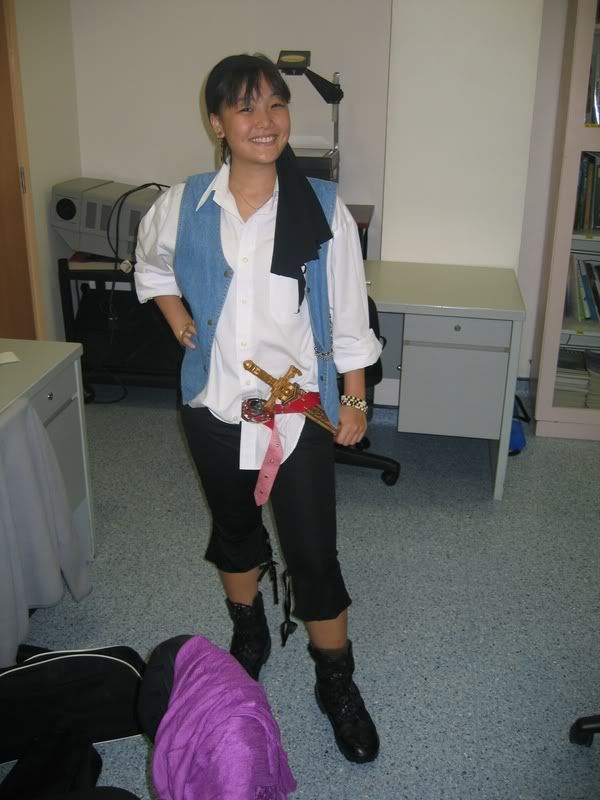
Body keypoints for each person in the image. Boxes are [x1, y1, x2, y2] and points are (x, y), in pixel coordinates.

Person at [134, 53, 381, 764]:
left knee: (313, 554)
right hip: (214, 405)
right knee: (235, 529)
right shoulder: (182, 205)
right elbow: (152, 269)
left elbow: (350, 319)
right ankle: (249, 631)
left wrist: (355, 398)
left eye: (276, 104)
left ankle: (336, 682)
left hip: (297, 412)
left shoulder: (323, 209)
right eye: (245, 107)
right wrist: (181, 322)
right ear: (217, 123)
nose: (264, 120)